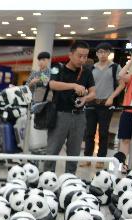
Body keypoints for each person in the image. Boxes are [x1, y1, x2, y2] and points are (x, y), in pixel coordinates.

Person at [44, 41, 96, 174]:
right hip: (60, 114)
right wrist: (73, 85)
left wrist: (85, 98)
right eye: (79, 56)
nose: (82, 59)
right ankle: (47, 178)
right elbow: (52, 84)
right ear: (70, 54)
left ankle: (70, 179)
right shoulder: (57, 67)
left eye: (85, 56)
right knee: (52, 150)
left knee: (74, 152)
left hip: (79, 116)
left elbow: (93, 93)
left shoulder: (87, 72)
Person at [84, 43, 122, 164]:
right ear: (96, 53)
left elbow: (122, 84)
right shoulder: (91, 68)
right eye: (100, 52)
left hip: (106, 104)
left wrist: (111, 97)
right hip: (91, 103)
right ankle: (87, 158)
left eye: (105, 52)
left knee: (103, 133)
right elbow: (87, 85)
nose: (102, 54)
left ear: (109, 53)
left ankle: (101, 160)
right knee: (89, 132)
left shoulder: (115, 67)